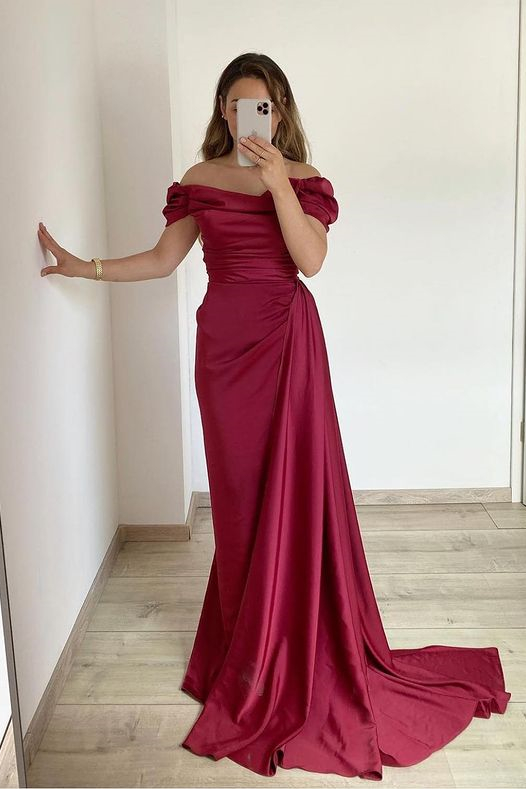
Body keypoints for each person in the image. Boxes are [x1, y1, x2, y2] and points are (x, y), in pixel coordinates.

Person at [39, 52, 511, 781]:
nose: (247, 117)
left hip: (287, 346)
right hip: (224, 355)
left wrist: (278, 183)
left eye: (260, 105)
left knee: (293, 495)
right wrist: (87, 267)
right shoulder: (198, 179)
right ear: (223, 111)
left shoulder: (304, 180)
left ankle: (288, 650)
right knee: (238, 505)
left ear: (280, 111)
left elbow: (310, 260)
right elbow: (164, 260)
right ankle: (249, 651)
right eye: (235, 105)